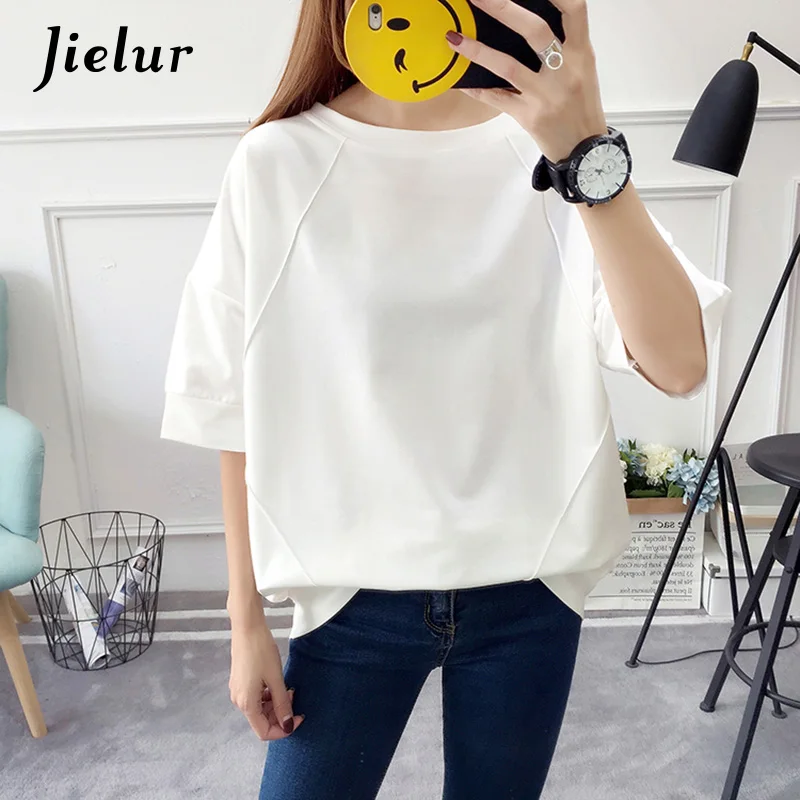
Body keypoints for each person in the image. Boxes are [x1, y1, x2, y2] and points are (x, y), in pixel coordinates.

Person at [160, 0, 731, 797]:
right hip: (349, 599)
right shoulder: (277, 163)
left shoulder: (552, 150)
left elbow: (679, 364)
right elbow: (231, 401)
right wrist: (244, 619)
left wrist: (587, 153)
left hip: (531, 589)